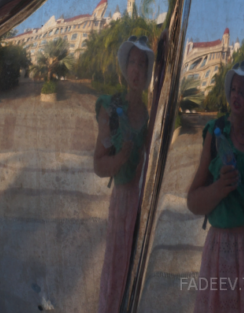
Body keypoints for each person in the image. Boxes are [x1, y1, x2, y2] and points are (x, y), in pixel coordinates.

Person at [186, 60, 244, 312]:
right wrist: (219, 188)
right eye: (234, 89)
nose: (237, 95)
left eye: (243, 90)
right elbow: (193, 202)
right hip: (223, 256)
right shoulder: (215, 133)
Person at [93, 35, 154, 313]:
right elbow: (98, 165)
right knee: (117, 264)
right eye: (132, 62)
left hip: (145, 203)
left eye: (142, 64)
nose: (136, 70)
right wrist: (120, 158)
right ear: (125, 66)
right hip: (122, 201)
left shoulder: (151, 115)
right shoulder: (111, 108)